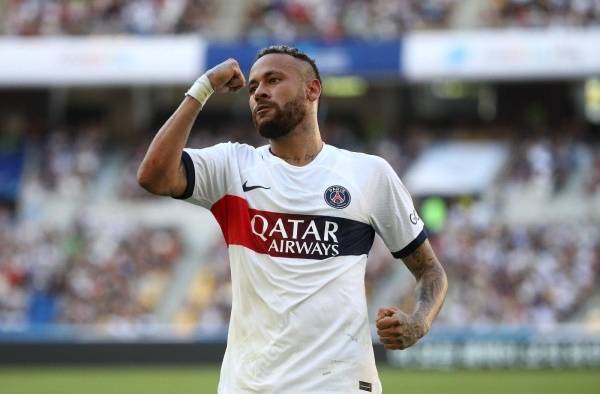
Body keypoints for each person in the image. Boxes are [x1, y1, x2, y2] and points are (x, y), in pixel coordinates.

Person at [137, 45, 448, 394]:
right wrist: (204, 86)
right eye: (253, 87)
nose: (260, 93)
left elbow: (430, 270)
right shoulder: (232, 167)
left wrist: (419, 322)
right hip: (249, 387)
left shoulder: (368, 174)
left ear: (312, 89)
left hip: (340, 385)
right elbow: (154, 175)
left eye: (273, 80)